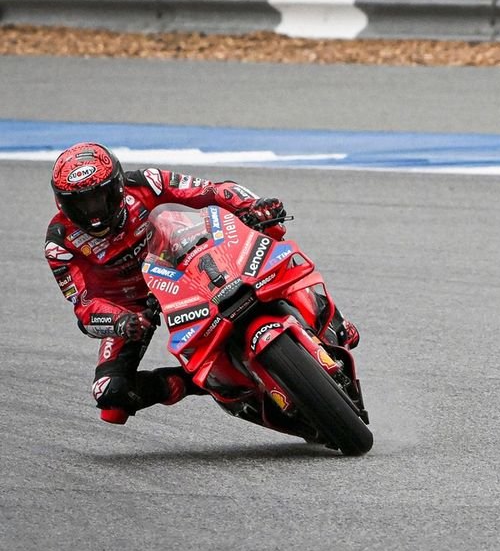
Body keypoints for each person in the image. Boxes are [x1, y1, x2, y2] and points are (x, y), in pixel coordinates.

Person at [44, 142, 360, 425]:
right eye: (82, 203)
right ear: (63, 203)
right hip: (132, 308)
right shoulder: (60, 243)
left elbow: (211, 191)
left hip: (180, 264)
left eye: (99, 197)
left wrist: (253, 206)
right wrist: (120, 321)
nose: (94, 211)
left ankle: (328, 316)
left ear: (116, 186)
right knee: (110, 395)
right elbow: (85, 307)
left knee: (271, 230)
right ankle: (209, 382)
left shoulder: (147, 182)